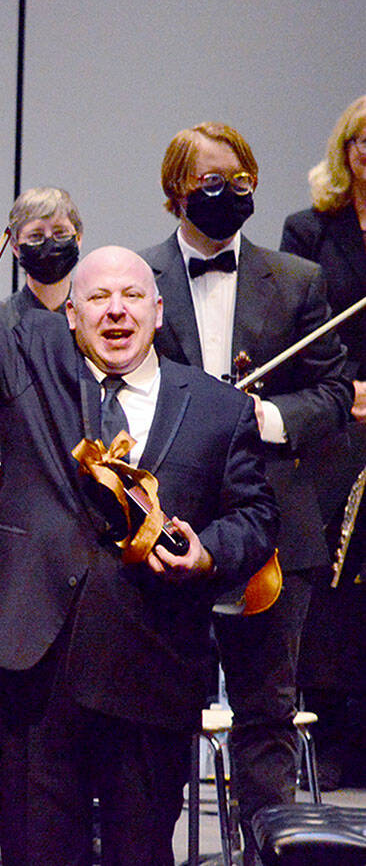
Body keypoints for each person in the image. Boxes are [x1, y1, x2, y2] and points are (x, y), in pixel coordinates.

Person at [0, 190, 278, 863]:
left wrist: (209, 550)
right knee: (36, 850)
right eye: (97, 298)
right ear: (71, 314)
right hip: (38, 666)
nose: (115, 309)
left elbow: (257, 517)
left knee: (138, 851)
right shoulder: (31, 368)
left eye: (130, 296)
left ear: (157, 310)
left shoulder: (218, 408)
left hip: (153, 664)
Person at [141, 121, 352, 862]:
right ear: (175, 193)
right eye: (209, 181)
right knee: (160, 716)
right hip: (165, 530)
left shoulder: (296, 279)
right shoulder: (139, 282)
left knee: (266, 715)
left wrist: (267, 415)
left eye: (241, 180)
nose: (228, 193)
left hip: (275, 533)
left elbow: (331, 395)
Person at [280, 95, 366, 790]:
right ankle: (333, 737)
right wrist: (351, 392)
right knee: (335, 579)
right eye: (364, 142)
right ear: (346, 151)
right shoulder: (308, 229)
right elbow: (295, 326)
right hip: (341, 418)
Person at [0, 187, 83, 330]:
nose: (50, 243)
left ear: (78, 238)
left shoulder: (90, 318)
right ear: (16, 248)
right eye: (35, 236)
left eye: (60, 233)